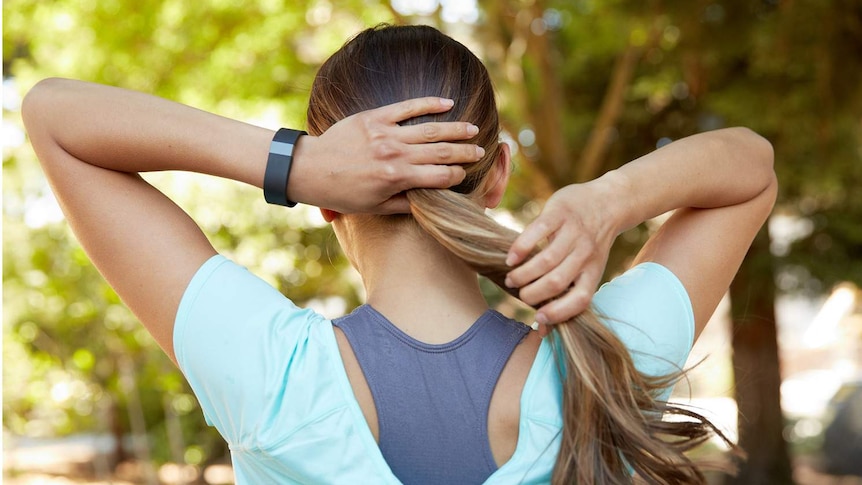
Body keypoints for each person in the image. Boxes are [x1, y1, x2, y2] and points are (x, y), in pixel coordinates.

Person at [23, 24, 776, 484]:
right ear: (500, 174)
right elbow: (750, 168)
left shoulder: (272, 376)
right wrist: (607, 200)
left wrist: (293, 161)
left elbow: (53, 114)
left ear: (327, 203)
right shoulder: (600, 361)